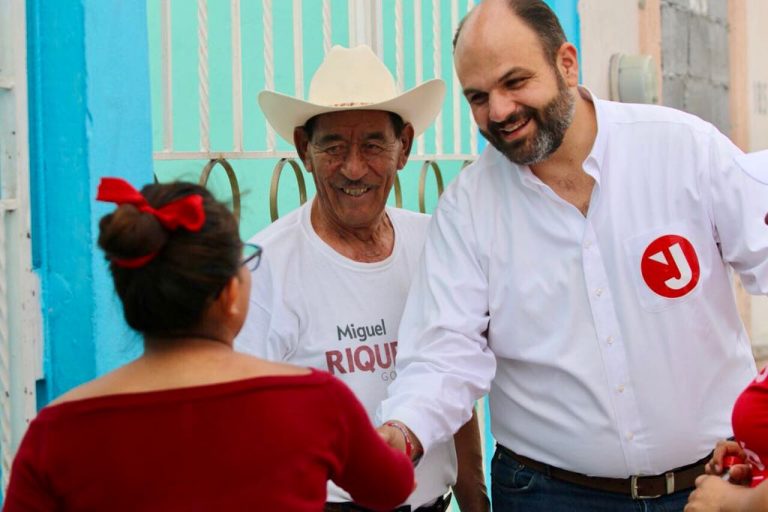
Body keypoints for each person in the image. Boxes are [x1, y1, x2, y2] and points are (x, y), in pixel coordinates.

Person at [376, 1, 768, 511]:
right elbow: (443, 354)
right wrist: (402, 431)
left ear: (567, 63)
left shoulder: (684, 150)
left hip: (712, 489)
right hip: (548, 494)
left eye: (515, 82)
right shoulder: (467, 210)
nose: (498, 112)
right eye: (478, 96)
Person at [2, 178, 414, 511]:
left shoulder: (58, 432)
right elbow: (391, 488)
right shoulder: (317, 403)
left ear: (129, 293)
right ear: (230, 293)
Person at [235, 45, 489, 512]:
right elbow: (243, 425)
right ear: (303, 151)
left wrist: (475, 491)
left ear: (404, 148)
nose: (354, 168)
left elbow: (453, 371)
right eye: (333, 146)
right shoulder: (264, 267)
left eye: (373, 145)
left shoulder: (435, 243)